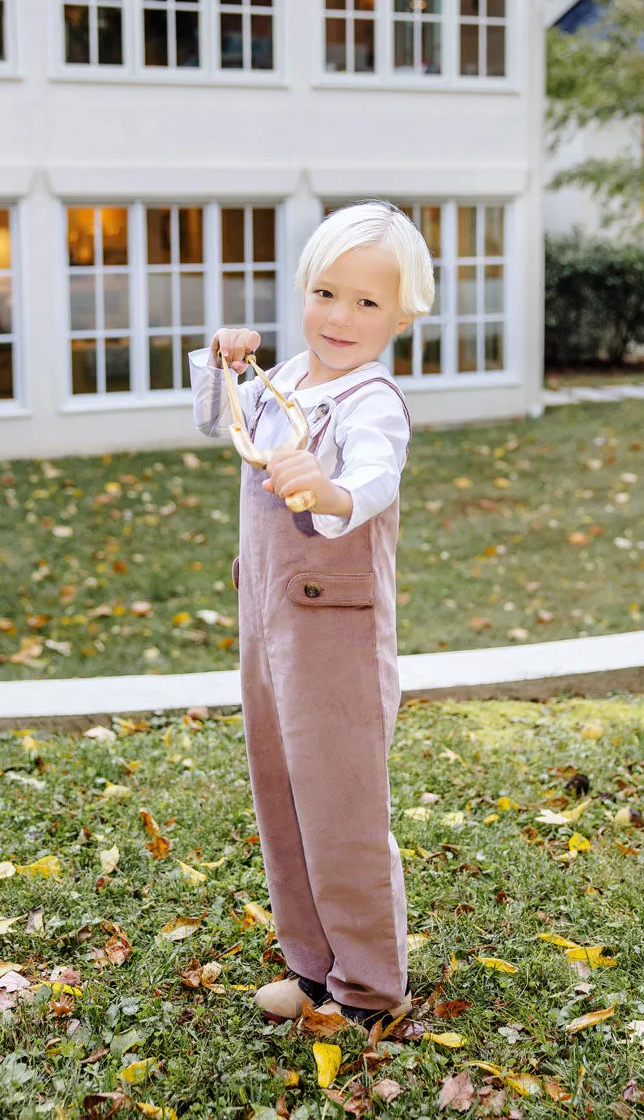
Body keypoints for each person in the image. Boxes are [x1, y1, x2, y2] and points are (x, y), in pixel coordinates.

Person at [188, 200, 435, 1030]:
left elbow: (375, 478)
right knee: (282, 789)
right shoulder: (284, 379)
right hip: (267, 618)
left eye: (367, 303)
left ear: (403, 314)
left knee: (343, 803)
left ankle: (368, 988)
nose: (340, 317)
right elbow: (217, 418)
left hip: (337, 630)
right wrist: (221, 361)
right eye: (326, 293)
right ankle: (311, 966)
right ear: (303, 291)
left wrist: (327, 491)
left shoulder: (371, 401)